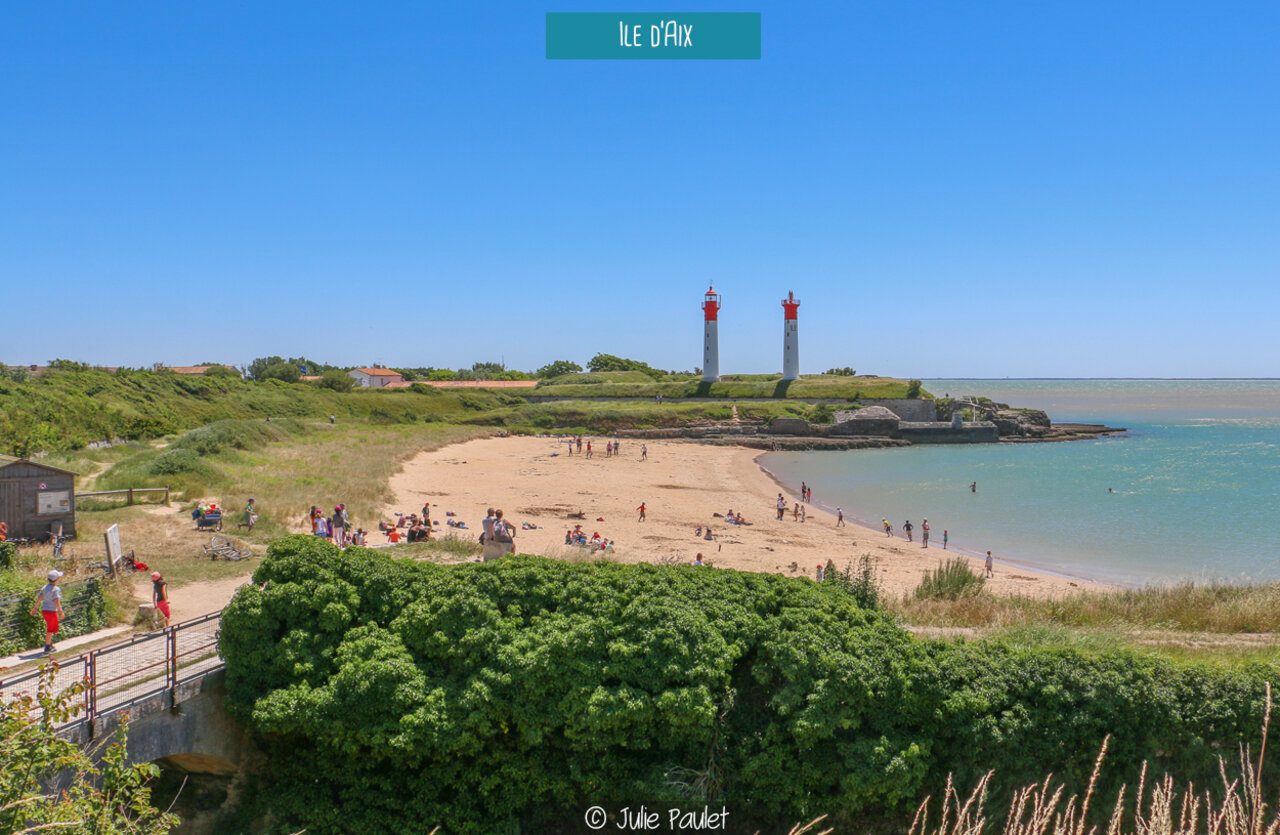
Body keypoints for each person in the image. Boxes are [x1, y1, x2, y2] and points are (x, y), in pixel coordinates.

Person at [31, 570, 65, 654]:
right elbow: (57, 601)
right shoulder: (56, 589)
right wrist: (60, 612)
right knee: (50, 630)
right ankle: (47, 647)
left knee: (51, 629)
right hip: (52, 612)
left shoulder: (45, 587)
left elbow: (40, 597)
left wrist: (35, 608)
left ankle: (49, 643)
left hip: (44, 611)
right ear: (56, 579)